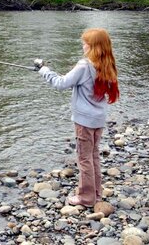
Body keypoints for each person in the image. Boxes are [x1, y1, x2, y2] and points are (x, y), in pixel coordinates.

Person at [34, 28, 119, 207]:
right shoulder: (107, 64)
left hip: (85, 121)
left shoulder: (84, 65)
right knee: (93, 155)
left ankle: (86, 198)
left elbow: (61, 83)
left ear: (93, 47)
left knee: (84, 158)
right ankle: (96, 193)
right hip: (98, 119)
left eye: (85, 43)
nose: (83, 45)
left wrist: (43, 70)